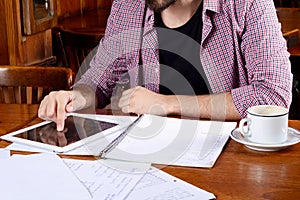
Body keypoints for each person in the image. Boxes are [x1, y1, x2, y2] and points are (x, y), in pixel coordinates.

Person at [39, 0, 292, 131]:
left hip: (230, 158)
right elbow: (99, 80)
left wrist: (167, 104)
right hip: (151, 157)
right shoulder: (129, 5)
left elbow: (273, 94)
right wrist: (74, 96)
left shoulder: (246, 4)